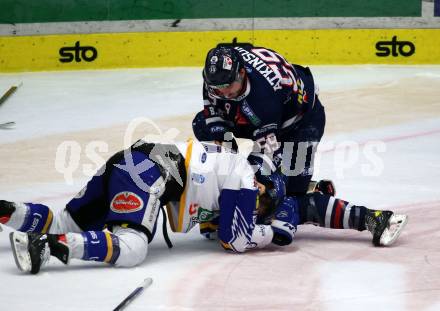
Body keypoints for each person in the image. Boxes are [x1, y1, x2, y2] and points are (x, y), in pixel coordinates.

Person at [1, 139, 407, 275]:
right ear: (262, 184)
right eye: (264, 199)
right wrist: (272, 234)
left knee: (69, 217)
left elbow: (307, 205)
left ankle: (7, 210)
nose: (260, 205)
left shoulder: (242, 177)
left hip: (139, 161)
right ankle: (45, 248)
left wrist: (366, 217)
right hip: (152, 172)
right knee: (131, 249)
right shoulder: (245, 179)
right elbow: (234, 240)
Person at [192, 43, 330, 197]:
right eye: (217, 88)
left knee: (285, 193)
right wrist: (225, 152)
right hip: (255, 115)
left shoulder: (264, 99)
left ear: (242, 73)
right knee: (201, 124)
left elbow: (268, 153)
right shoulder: (216, 78)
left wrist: (247, 176)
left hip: (301, 122)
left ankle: (312, 191)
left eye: (228, 86)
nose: (223, 93)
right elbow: (213, 111)